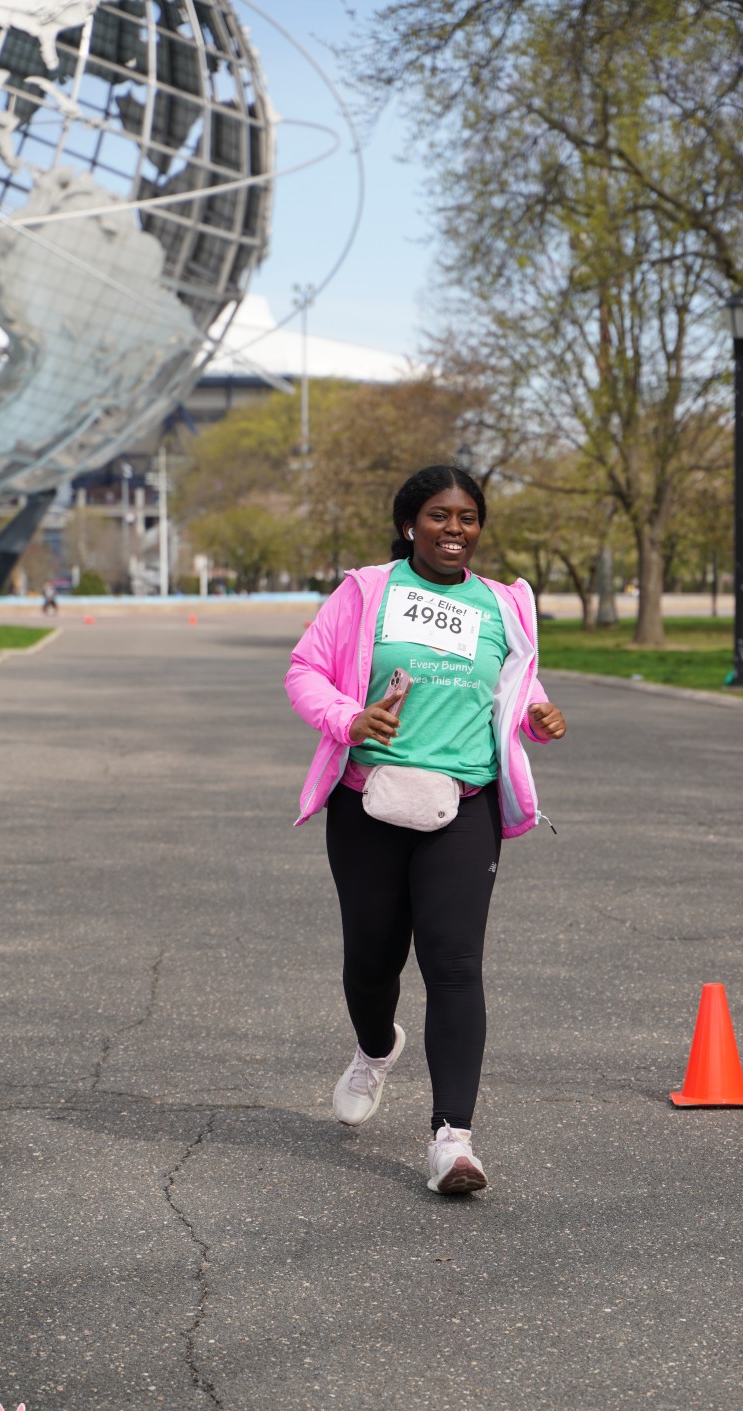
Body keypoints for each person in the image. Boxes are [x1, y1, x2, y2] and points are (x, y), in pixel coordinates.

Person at [285, 464, 566, 1195]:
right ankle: (375, 1048)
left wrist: (537, 713)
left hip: (464, 806)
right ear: (409, 523)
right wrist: (348, 718)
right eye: (440, 515)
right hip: (368, 804)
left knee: (454, 964)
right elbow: (305, 670)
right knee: (372, 962)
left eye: (468, 517)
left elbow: (513, 679)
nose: (454, 528)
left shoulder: (502, 604)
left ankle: (453, 1140)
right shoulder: (366, 592)